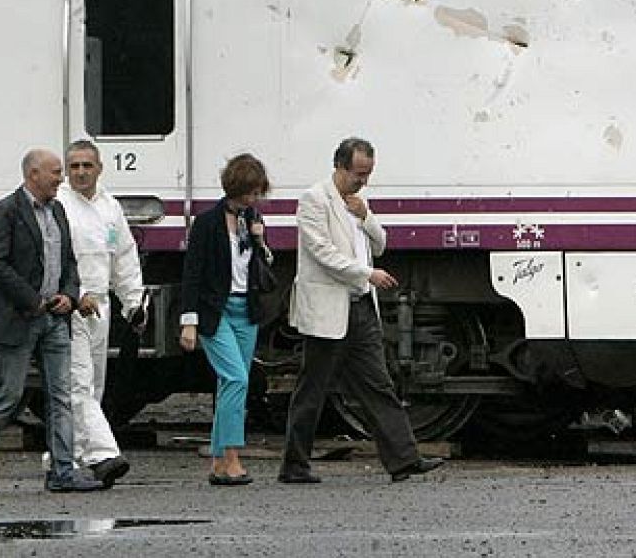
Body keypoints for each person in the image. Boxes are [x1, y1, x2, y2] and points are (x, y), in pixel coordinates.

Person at [278, 137, 445, 485]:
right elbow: (322, 253)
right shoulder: (314, 199)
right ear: (339, 167)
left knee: (378, 384)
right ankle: (294, 463)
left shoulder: (357, 203)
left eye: (368, 174)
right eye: (358, 174)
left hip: (360, 307)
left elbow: (380, 244)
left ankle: (404, 459)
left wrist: (366, 217)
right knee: (313, 389)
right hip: (328, 308)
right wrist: (367, 274)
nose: (363, 181)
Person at [0, 149, 103, 494]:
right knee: (9, 395)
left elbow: (69, 262)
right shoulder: (7, 211)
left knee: (61, 396)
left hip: (55, 317)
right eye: (55, 172)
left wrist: (68, 295)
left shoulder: (58, 211)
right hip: (20, 318)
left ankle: (62, 471)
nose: (61, 178)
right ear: (33, 174)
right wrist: (33, 300)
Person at [178, 153, 276, 485]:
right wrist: (189, 321)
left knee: (229, 384)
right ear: (234, 188)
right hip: (214, 311)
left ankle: (218, 461)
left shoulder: (253, 220)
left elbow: (263, 266)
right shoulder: (207, 223)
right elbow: (192, 274)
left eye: (257, 192)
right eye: (249, 192)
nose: (253, 198)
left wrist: (260, 240)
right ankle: (232, 457)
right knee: (236, 379)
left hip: (246, 310)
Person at [57, 139, 147, 488]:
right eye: (74, 166)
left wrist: (133, 302)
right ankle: (104, 454)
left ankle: (68, 456)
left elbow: (124, 256)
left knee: (93, 385)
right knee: (78, 381)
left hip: (101, 304)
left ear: (99, 168)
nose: (81, 172)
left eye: (87, 165)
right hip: (71, 305)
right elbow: (55, 258)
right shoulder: (59, 204)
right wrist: (73, 294)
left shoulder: (110, 206)